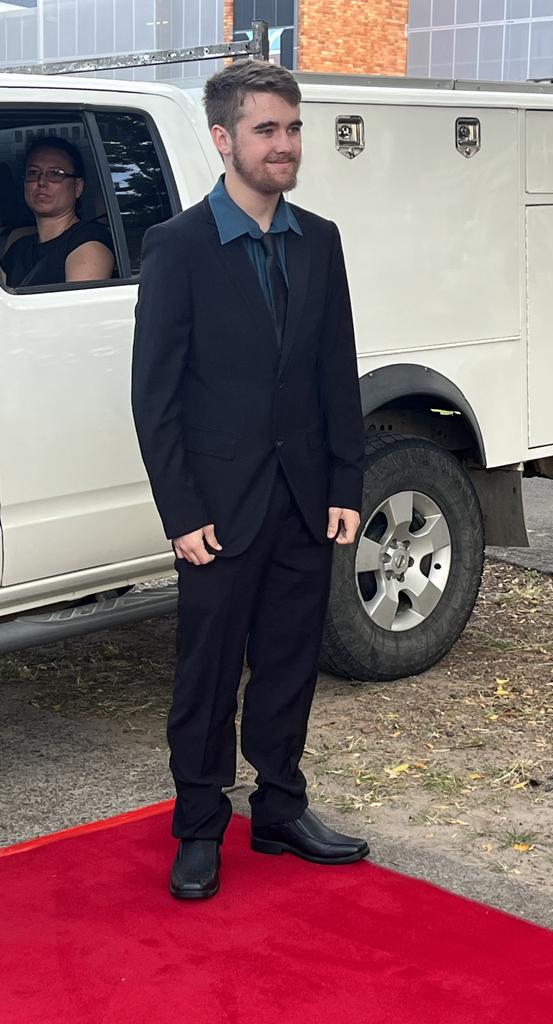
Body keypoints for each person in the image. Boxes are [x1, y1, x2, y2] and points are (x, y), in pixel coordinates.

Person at [131, 59, 368, 900]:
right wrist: (180, 510)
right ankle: (199, 825)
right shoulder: (179, 247)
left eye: (293, 128)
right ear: (223, 138)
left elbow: (335, 374)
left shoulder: (321, 240)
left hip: (306, 501)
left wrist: (346, 484)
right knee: (207, 673)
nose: (285, 145)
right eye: (267, 129)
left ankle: (279, 810)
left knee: (288, 663)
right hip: (218, 513)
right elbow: (154, 396)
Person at [1, 137, 114, 288]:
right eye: (33, 172)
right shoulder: (19, 248)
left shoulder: (90, 244)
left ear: (78, 187)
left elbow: (78, 309)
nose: (41, 182)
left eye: (55, 173)